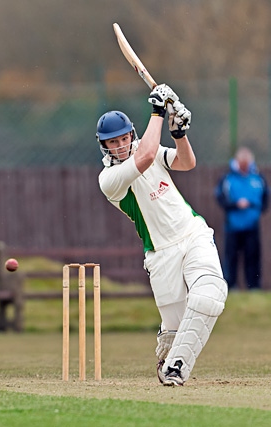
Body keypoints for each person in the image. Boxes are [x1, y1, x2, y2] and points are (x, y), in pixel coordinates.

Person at [95, 84, 227, 386]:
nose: (119, 145)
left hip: (192, 233)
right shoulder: (109, 179)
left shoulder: (149, 151)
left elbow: (186, 163)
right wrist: (157, 110)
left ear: (131, 135)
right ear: (103, 146)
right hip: (161, 254)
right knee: (177, 328)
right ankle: (169, 344)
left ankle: (176, 368)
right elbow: (144, 158)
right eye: (111, 142)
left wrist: (179, 135)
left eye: (123, 138)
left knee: (209, 296)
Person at [215, 146, 268, 290]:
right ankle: (231, 285)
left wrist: (256, 209)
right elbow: (220, 197)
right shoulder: (227, 178)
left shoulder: (258, 177)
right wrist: (235, 205)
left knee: (252, 257)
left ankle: (254, 286)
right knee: (231, 257)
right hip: (233, 225)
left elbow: (265, 197)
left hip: (252, 225)